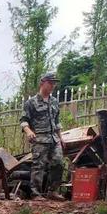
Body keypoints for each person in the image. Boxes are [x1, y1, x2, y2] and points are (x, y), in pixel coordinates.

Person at [20, 73, 65, 201]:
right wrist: (28, 131)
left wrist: (60, 138)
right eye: (50, 83)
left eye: (54, 83)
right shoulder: (31, 103)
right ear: (42, 83)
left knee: (58, 163)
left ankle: (53, 191)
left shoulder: (55, 102)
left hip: (54, 139)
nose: (52, 86)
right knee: (38, 166)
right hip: (39, 139)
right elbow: (23, 120)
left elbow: (57, 122)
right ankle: (36, 194)